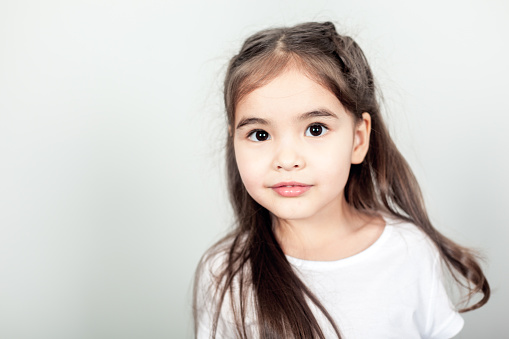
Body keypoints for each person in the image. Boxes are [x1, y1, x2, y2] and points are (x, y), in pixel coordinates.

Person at [193, 21, 490, 339]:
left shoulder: (410, 251)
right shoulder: (225, 272)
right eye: (260, 134)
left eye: (315, 129)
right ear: (234, 141)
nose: (286, 159)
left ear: (358, 139)